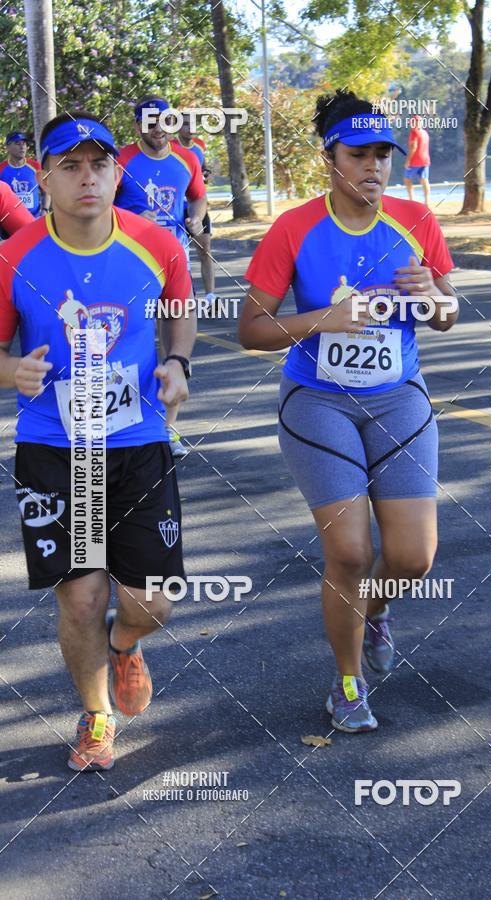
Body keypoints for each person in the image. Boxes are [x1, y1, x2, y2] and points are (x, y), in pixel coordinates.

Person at [239, 88, 457, 734]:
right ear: (329, 159)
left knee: (413, 557)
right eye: (358, 155)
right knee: (351, 552)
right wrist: (321, 320)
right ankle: (347, 683)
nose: (373, 167)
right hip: (318, 401)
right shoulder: (295, 228)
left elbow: (447, 316)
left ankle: (375, 610)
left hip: (398, 397)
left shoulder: (416, 221)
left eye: (382, 155)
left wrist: (434, 295)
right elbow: (251, 328)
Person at [0, 112, 196, 771]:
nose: (88, 177)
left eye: (99, 164)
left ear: (116, 173)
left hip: (137, 440)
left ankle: (125, 644)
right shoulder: (14, 256)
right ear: (44, 179)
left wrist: (178, 363)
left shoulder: (157, 243)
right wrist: (11, 370)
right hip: (56, 449)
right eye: (71, 166)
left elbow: (179, 314)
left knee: (152, 603)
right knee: (82, 596)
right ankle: (96, 714)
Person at [115, 95, 206, 457]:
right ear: (137, 125)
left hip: (174, 264)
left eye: (164, 121)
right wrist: (131, 221)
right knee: (128, 343)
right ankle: (122, 423)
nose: (158, 129)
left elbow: (197, 197)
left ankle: (166, 429)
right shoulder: (121, 160)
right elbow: (101, 205)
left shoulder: (187, 159)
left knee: (174, 349)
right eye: (150, 122)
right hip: (130, 265)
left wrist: (196, 217)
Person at [176, 112, 219, 311]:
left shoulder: (199, 146)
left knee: (205, 250)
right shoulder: (170, 148)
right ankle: (184, 296)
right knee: (177, 256)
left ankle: (210, 297)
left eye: (193, 124)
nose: (190, 128)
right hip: (177, 209)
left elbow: (201, 170)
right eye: (185, 124)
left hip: (198, 208)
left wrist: (206, 174)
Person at [0, 130, 49, 218]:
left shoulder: (35, 166)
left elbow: (46, 190)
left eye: (24, 144)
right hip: (10, 221)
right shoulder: (1, 169)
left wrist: (45, 210)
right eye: (18, 143)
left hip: (34, 219)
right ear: (8, 147)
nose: (22, 147)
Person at [403, 116, 431, 208]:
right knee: (424, 180)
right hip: (425, 160)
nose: (411, 125)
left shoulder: (414, 132)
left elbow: (413, 147)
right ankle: (427, 201)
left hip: (415, 161)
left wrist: (408, 161)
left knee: (407, 179)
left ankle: (411, 200)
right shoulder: (425, 133)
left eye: (412, 123)